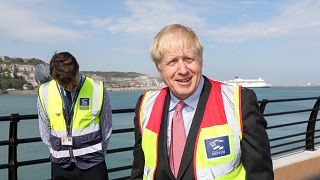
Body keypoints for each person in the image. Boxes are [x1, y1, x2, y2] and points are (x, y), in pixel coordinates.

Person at [130, 24, 274, 180]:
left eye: (189, 59)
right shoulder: (145, 105)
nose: (183, 70)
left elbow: (260, 173)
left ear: (201, 60)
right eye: (172, 62)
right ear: (159, 68)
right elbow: (139, 169)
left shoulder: (239, 101)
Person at [37, 52, 112, 180]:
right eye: (65, 84)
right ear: (55, 79)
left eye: (74, 81)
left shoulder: (97, 88)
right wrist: (57, 152)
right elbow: (44, 129)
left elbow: (106, 128)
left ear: (78, 69)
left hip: (93, 164)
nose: (71, 87)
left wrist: (98, 154)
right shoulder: (44, 91)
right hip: (60, 165)